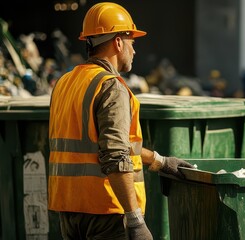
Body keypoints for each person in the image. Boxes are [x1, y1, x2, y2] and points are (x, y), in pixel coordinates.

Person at [48, 2, 194, 239]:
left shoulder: (65, 83)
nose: (134, 51)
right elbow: (115, 156)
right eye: (131, 43)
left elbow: (100, 143)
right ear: (118, 42)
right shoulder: (110, 86)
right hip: (106, 211)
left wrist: (159, 161)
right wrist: (135, 220)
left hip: (68, 210)